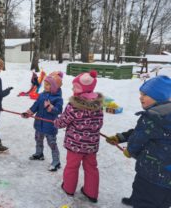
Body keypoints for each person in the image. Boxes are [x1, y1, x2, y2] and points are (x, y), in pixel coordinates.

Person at [106, 76, 171, 208]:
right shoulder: (166, 113)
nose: (140, 97)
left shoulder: (152, 116)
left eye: (145, 95)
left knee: (145, 195)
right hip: (167, 175)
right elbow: (145, 132)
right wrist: (120, 137)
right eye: (140, 94)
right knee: (162, 199)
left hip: (152, 173)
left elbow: (138, 138)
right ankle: (137, 198)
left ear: (159, 96)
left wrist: (129, 151)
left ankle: (140, 201)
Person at [53, 70, 104, 203]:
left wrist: (56, 122)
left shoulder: (74, 105)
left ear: (82, 89)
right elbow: (99, 123)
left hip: (75, 145)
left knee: (72, 166)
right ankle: (91, 192)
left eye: (75, 87)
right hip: (91, 145)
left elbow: (63, 121)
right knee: (91, 168)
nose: (72, 89)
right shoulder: (98, 105)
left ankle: (69, 188)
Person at [21, 71, 64, 171]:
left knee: (52, 143)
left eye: (48, 85)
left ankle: (56, 161)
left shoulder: (58, 99)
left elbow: (59, 111)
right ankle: (39, 154)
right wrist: (29, 113)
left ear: (54, 86)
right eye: (45, 84)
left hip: (50, 126)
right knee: (38, 140)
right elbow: (35, 106)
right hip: (39, 123)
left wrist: (50, 107)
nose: (45, 86)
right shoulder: (42, 95)